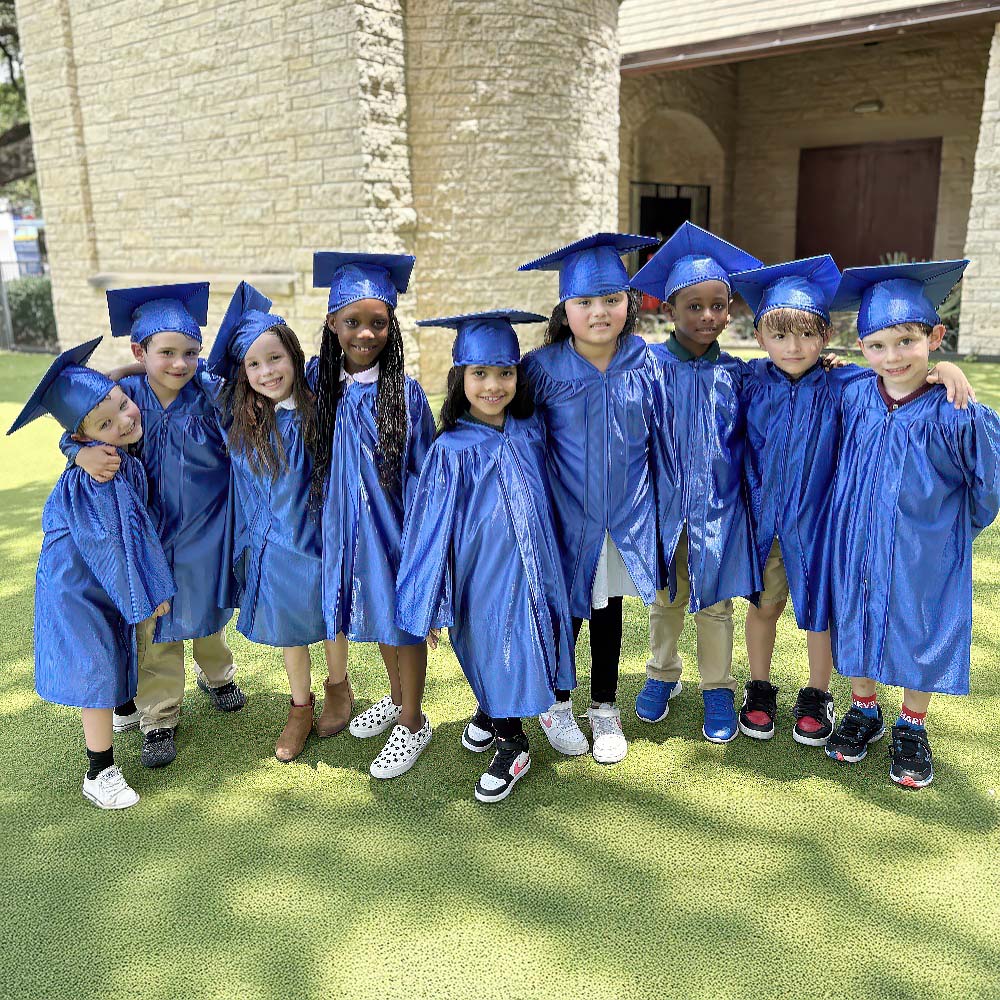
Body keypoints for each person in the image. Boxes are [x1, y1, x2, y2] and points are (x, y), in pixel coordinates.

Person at [731, 255, 976, 744]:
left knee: (819, 612)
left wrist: (946, 367)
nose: (794, 347)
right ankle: (759, 687)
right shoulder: (749, 379)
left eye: (807, 335)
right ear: (759, 338)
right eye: (779, 335)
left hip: (822, 524)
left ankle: (817, 694)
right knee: (763, 605)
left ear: (827, 338)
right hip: (763, 522)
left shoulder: (847, 382)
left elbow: (902, 380)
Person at [824, 260, 1000, 788]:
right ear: (861, 349)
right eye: (877, 345)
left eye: (906, 342)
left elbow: (986, 485)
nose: (893, 356)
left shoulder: (958, 410)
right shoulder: (853, 393)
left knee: (918, 623)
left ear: (935, 336)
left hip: (924, 544)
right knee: (853, 613)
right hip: (855, 536)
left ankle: (911, 723)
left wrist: (947, 534)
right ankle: (864, 710)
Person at [397, 310, 576, 802]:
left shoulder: (532, 429)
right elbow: (430, 530)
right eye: (480, 374)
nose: (493, 385)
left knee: (521, 643)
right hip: (481, 574)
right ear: (460, 378)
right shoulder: (451, 448)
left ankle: (512, 738)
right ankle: (495, 712)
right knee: (485, 644)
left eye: (505, 372)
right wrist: (430, 599)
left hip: (536, 568)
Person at [64, 283, 241, 769]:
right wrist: (78, 452)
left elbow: (244, 401)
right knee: (155, 625)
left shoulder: (206, 394)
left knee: (207, 611)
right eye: (166, 353)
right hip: (148, 534)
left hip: (206, 527)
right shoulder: (126, 397)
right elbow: (77, 428)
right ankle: (159, 716)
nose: (179, 364)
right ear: (140, 350)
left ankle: (218, 675)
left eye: (189, 352)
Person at [10, 338, 175, 808]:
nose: (125, 419)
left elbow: (119, 390)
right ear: (84, 438)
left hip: (97, 579)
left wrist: (114, 383)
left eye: (124, 405)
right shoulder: (95, 476)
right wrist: (148, 593)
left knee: (115, 643)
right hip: (76, 586)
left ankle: (122, 710)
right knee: (95, 664)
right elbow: (114, 546)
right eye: (107, 423)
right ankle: (99, 770)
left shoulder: (104, 451)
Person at [517, 232, 661, 765]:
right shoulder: (542, 369)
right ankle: (556, 702)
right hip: (564, 517)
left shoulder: (646, 361)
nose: (599, 311)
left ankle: (604, 706)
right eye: (584, 302)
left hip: (622, 519)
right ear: (564, 309)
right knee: (563, 614)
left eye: (611, 299)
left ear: (629, 302)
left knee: (609, 613)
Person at [207, 281, 354, 762]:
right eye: (253, 363)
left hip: (319, 535)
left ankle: (339, 687)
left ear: (295, 356)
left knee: (330, 615)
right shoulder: (240, 413)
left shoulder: (320, 404)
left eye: (275, 359)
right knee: (292, 627)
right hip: (275, 541)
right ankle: (299, 707)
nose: (267, 372)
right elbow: (183, 384)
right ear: (242, 372)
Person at [630, 221, 762, 743]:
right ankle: (662, 673)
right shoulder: (647, 366)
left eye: (718, 305)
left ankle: (717, 687)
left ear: (730, 309)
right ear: (669, 308)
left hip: (719, 510)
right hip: (663, 508)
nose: (708, 316)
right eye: (694, 306)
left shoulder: (740, 373)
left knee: (716, 603)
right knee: (665, 599)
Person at [310, 252, 436, 779]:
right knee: (380, 616)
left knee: (402, 621)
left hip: (394, 529)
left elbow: (426, 472)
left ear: (393, 327)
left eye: (379, 323)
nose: (366, 333)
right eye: (353, 322)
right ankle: (393, 696)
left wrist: (424, 546)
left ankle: (412, 720)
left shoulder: (405, 394)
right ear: (332, 324)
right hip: (346, 529)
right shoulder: (320, 384)